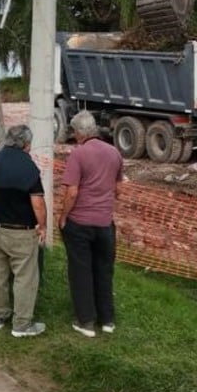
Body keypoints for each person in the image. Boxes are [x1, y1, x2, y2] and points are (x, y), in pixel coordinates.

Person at [58, 111, 125, 337]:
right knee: (104, 271)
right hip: (105, 224)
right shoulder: (115, 153)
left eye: (74, 132)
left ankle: (86, 321)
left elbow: (72, 192)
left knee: (81, 271)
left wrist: (63, 216)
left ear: (79, 133)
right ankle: (107, 320)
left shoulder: (78, 155)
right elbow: (118, 190)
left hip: (80, 223)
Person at [0, 124, 47, 338]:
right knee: (25, 277)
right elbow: (37, 202)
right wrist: (42, 226)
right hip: (22, 231)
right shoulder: (29, 168)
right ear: (27, 144)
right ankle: (21, 324)